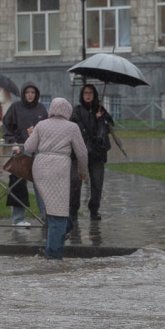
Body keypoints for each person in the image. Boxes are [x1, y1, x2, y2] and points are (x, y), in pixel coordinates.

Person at [17, 97, 88, 260]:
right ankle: (53, 255)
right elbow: (82, 153)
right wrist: (82, 171)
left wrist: (32, 134)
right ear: (68, 111)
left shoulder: (41, 125)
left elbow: (28, 147)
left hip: (40, 167)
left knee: (53, 206)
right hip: (59, 168)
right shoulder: (72, 127)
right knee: (58, 211)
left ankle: (63, 233)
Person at [2, 81, 48, 227]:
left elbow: (47, 128)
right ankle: (18, 219)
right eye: (27, 92)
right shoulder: (15, 107)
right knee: (18, 185)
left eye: (33, 92)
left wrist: (38, 136)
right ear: (23, 94)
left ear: (36, 94)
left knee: (42, 185)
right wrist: (13, 142)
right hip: (20, 149)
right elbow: (6, 126)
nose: (30, 95)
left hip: (38, 150)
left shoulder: (41, 108)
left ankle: (46, 218)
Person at [69, 84, 114, 224]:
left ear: (94, 95)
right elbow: (73, 127)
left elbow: (110, 126)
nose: (88, 95)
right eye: (85, 92)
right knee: (75, 182)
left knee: (97, 182)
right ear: (82, 95)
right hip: (79, 152)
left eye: (90, 92)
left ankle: (94, 210)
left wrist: (101, 118)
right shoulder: (76, 110)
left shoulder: (100, 110)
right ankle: (73, 211)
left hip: (97, 153)